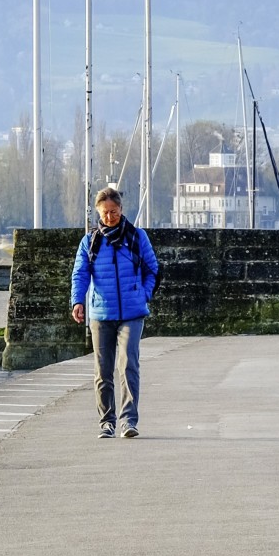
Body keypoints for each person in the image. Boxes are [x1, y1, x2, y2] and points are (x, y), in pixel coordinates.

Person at [71, 185, 160, 439]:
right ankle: (106, 422)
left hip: (132, 313)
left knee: (129, 364)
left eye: (114, 211)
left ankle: (129, 420)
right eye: (105, 213)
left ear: (121, 209)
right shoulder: (90, 241)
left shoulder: (137, 237)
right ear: (98, 213)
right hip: (101, 315)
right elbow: (80, 274)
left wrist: (143, 294)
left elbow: (153, 269)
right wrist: (77, 301)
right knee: (103, 370)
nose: (110, 217)